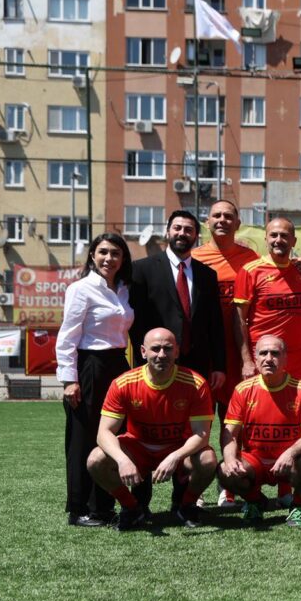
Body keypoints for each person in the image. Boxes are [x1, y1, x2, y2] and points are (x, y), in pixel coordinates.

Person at [87, 328, 217, 531]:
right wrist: (123, 460)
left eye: (168, 349)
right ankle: (131, 508)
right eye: (155, 349)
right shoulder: (123, 383)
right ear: (143, 351)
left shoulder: (195, 383)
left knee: (208, 460)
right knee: (96, 460)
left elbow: (202, 434)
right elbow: (103, 433)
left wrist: (175, 457)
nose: (162, 355)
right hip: (138, 448)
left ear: (177, 351)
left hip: (177, 448)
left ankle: (187, 506)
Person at [56, 233, 134, 527]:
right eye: (102, 252)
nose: (108, 258)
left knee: (114, 435)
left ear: (123, 258)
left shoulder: (124, 289)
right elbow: (67, 336)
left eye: (115, 253)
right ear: (92, 255)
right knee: (83, 438)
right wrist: (69, 379)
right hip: (88, 365)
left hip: (118, 365)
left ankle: (103, 505)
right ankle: (78, 509)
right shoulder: (81, 289)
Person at [190, 199, 260, 508]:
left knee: (234, 422)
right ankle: (197, 486)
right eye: (216, 215)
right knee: (199, 424)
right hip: (204, 354)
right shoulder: (194, 258)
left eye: (228, 216)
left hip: (238, 353)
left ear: (238, 223)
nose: (222, 220)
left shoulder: (251, 259)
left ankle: (230, 487)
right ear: (207, 222)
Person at [218, 335, 301, 528]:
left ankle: (298, 506)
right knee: (225, 468)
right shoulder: (242, 390)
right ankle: (255, 501)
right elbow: (229, 433)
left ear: (285, 359)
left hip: (287, 462)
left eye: (275, 353)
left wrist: (289, 454)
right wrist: (230, 458)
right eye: (263, 353)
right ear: (255, 359)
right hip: (255, 462)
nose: (268, 358)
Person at [129, 210, 225, 390]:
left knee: (197, 417)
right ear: (167, 232)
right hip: (157, 362)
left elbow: (215, 324)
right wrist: (145, 357)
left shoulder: (208, 275)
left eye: (188, 230)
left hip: (198, 366)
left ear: (196, 236)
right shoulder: (142, 270)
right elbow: (137, 322)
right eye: (177, 228)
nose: (182, 233)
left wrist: (219, 366)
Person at [234, 217, 301, 382]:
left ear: (294, 241)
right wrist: (247, 360)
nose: (278, 240)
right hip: (264, 357)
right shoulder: (250, 271)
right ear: (266, 239)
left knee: (296, 405)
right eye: (273, 235)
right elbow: (239, 319)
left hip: (297, 358)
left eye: (284, 236)